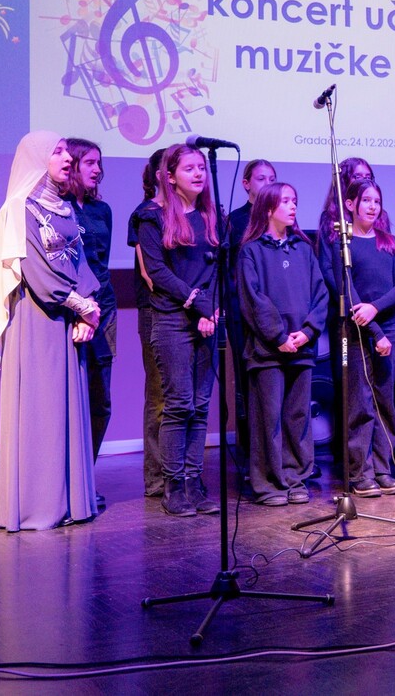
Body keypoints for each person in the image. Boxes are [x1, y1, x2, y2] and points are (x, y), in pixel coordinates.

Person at [0, 132, 101, 531]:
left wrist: (88, 308)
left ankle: (70, 499)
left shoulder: (65, 207)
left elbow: (81, 263)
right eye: (56, 152)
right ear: (37, 158)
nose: (67, 158)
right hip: (38, 320)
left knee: (67, 406)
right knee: (42, 408)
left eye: (66, 151)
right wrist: (81, 306)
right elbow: (37, 273)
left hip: (67, 318)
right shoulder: (19, 209)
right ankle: (39, 505)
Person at [138, 144, 221, 518]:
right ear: (169, 176)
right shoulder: (150, 217)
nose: (199, 173)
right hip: (172, 319)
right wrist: (196, 302)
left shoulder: (211, 216)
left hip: (206, 318)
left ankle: (192, 481)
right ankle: (172, 485)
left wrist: (211, 308)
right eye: (190, 168)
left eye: (201, 167)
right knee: (179, 404)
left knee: (200, 406)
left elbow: (217, 268)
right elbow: (157, 272)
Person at [237, 182, 328, 506]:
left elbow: (320, 294)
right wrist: (278, 336)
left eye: (294, 200)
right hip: (267, 351)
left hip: (301, 348)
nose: (293, 206)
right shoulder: (251, 251)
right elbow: (253, 299)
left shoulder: (303, 249)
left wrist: (308, 331)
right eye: (285, 201)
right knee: (268, 418)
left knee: (298, 417)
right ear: (267, 208)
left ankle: (295, 477)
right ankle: (269, 483)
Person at [320, 179, 395, 497]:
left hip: (388, 332)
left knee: (385, 402)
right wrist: (373, 329)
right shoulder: (342, 245)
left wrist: (376, 310)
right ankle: (360, 473)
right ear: (351, 205)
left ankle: (383, 469)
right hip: (357, 333)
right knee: (360, 403)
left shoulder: (389, 243)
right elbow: (347, 291)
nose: (373, 206)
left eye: (377, 201)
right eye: (366, 200)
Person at [62, 138, 117, 486]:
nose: (97, 170)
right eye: (90, 163)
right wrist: (82, 307)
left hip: (104, 308)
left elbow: (102, 263)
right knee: (71, 400)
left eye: (99, 163)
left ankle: (86, 480)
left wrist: (98, 305)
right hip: (72, 310)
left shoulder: (102, 210)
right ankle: (65, 483)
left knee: (101, 400)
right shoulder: (59, 208)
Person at [225, 158, 276, 478]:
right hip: (243, 312)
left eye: (272, 178)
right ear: (246, 184)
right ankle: (250, 457)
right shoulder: (235, 221)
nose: (267, 184)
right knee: (248, 382)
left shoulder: (280, 220)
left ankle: (280, 455)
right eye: (261, 178)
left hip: (277, 312)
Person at [128, 148, 167, 498]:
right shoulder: (145, 214)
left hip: (185, 312)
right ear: (161, 175)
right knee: (159, 398)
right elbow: (149, 273)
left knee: (184, 399)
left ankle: (181, 474)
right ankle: (157, 478)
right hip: (156, 311)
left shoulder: (191, 214)